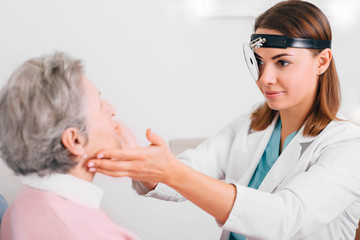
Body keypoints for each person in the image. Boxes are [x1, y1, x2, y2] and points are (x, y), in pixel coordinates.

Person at [87, 1, 360, 239]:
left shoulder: (348, 146)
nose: (265, 78)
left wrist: (172, 171)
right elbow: (193, 169)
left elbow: (285, 219)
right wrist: (145, 166)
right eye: (260, 62)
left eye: (282, 62)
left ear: (321, 61)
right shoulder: (252, 126)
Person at [0, 52, 138, 240]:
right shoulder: (94, 235)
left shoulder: (17, 209)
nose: (111, 110)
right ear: (74, 141)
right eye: (99, 105)